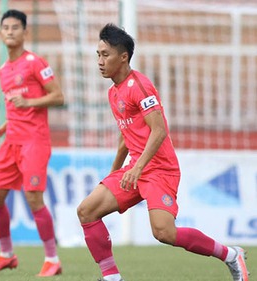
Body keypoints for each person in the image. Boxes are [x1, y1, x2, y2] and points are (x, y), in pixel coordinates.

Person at [77, 23, 249, 281]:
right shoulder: (113, 92)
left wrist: (136, 168)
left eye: (105, 55)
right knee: (86, 211)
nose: (99, 61)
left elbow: (159, 131)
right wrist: (114, 173)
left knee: (164, 233)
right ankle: (112, 277)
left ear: (123, 57)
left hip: (159, 170)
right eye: (98, 54)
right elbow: (127, 137)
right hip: (136, 168)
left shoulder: (141, 86)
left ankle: (230, 255)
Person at [0, 9, 65, 277]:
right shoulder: (4, 70)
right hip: (11, 142)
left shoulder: (35, 63)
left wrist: (30, 101)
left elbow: (58, 96)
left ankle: (52, 259)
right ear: (0, 32)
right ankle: (7, 254)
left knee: (33, 198)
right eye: (5, 27)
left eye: (15, 27)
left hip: (34, 142)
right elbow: (15, 108)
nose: (9, 31)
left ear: (24, 32)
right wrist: (1, 130)